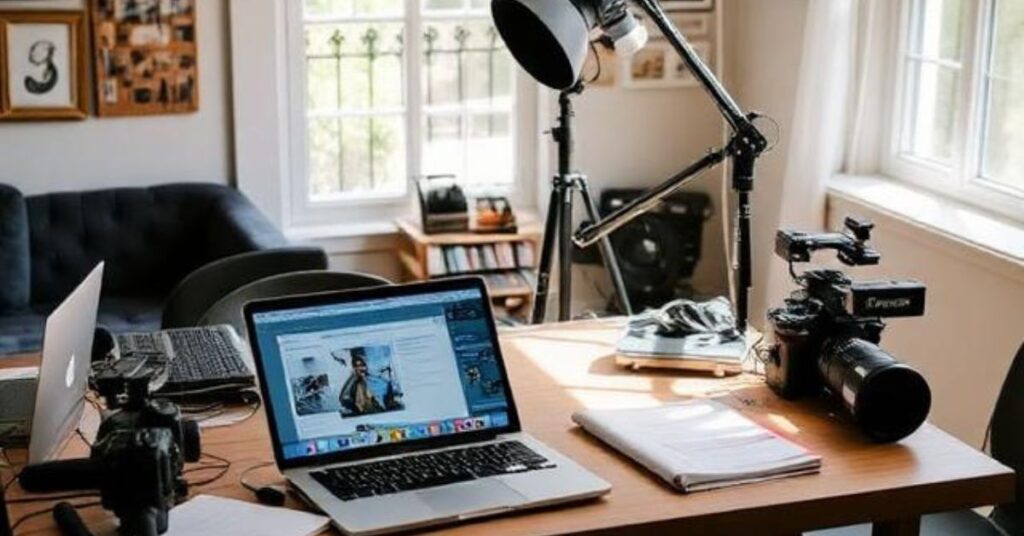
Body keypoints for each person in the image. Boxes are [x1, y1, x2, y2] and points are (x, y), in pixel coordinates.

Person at [339, 350, 384, 416]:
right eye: (357, 366)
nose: (361, 368)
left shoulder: (372, 380)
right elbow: (343, 398)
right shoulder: (354, 382)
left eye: (363, 365)